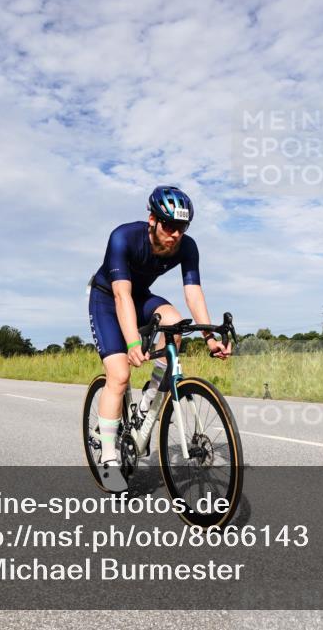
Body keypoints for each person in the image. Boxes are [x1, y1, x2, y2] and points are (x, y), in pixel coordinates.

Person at [88, 186, 231, 491]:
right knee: (120, 374)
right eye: (169, 225)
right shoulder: (123, 237)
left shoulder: (186, 247)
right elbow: (120, 294)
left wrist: (209, 337)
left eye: (182, 227)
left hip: (141, 299)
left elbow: (193, 293)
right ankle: (110, 458)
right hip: (107, 300)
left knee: (176, 326)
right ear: (152, 219)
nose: (176, 234)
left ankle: (149, 400)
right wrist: (132, 342)